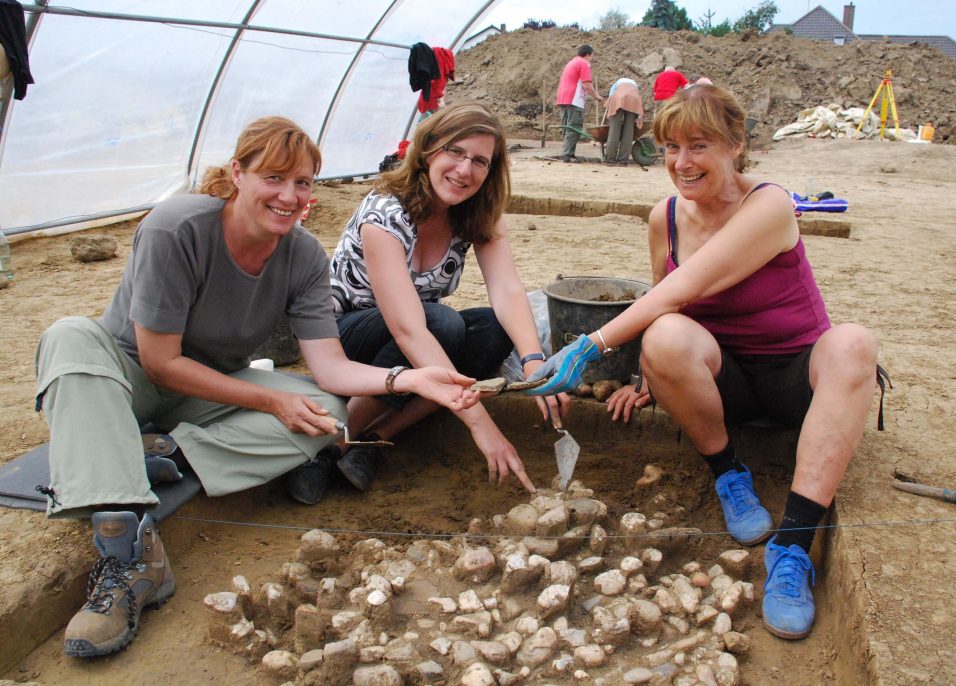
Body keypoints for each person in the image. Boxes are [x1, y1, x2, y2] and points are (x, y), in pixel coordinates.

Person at [34, 116, 481, 658]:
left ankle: (166, 454)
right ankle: (126, 556)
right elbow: (157, 361)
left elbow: (331, 367)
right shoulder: (177, 227)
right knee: (69, 337)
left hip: (207, 388)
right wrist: (269, 397)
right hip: (126, 375)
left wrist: (409, 378)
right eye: (274, 178)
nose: (289, 196)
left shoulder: (302, 256)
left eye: (303, 183)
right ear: (238, 173)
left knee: (326, 412)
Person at [526, 85, 879, 641]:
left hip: (795, 378)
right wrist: (648, 375)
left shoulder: (770, 204)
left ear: (736, 145)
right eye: (670, 147)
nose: (682, 163)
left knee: (854, 343)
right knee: (663, 337)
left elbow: (688, 283)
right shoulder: (663, 217)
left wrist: (591, 345)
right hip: (726, 381)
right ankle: (729, 476)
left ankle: (792, 546)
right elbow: (667, 300)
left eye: (698, 145)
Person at [285, 103, 569, 504]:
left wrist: (536, 365)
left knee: (491, 330)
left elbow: (506, 291)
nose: (464, 170)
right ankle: (337, 440)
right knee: (442, 323)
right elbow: (408, 328)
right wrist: (480, 425)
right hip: (344, 339)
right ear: (428, 149)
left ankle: (377, 439)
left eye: (479, 161)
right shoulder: (386, 210)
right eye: (455, 151)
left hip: (419, 333)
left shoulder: (478, 213)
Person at [556, 44, 603, 163]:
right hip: (574, 99)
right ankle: (568, 155)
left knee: (567, 127)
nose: (591, 59)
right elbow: (587, 85)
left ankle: (567, 153)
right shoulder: (584, 63)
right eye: (592, 56)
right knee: (574, 127)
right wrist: (597, 97)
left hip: (562, 98)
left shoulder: (571, 62)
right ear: (587, 55)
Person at [604, 77, 645, 166]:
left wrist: (609, 110)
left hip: (618, 98)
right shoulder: (635, 85)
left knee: (614, 128)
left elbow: (611, 95)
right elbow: (638, 97)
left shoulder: (617, 83)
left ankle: (610, 159)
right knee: (629, 130)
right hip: (634, 99)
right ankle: (623, 160)